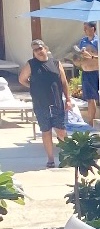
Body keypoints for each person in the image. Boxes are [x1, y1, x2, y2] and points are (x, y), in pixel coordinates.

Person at [18, 38, 70, 168]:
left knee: (61, 131)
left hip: (56, 101)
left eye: (40, 48)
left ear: (45, 48)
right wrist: (33, 87)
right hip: (40, 103)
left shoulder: (56, 63)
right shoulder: (31, 64)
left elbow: (64, 82)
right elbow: (22, 79)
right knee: (46, 131)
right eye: (35, 50)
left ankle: (69, 155)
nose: (38, 51)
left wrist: (68, 99)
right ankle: (51, 159)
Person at [74, 22, 100, 125]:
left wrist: (92, 56)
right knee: (90, 99)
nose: (84, 30)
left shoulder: (99, 41)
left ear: (93, 29)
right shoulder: (83, 41)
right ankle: (91, 123)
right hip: (86, 73)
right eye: (84, 28)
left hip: (96, 72)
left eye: (86, 28)